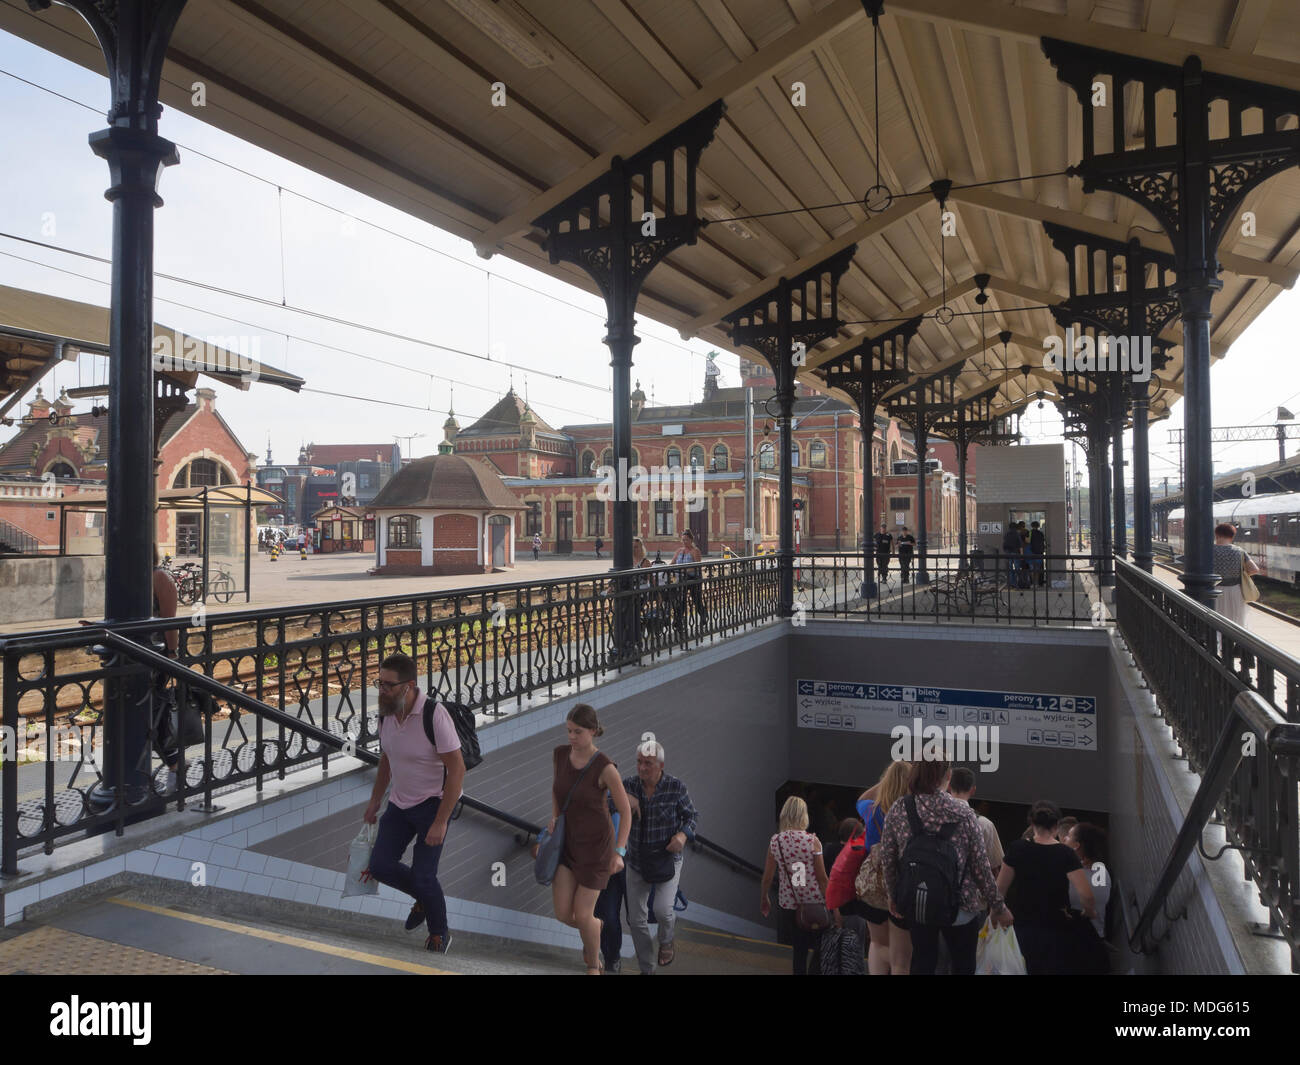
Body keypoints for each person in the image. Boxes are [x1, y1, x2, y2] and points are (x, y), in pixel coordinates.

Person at [363, 653, 466, 954]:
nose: (382, 690)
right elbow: (386, 760)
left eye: (389, 685)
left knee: (423, 875)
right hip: (400, 803)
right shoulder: (386, 713)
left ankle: (439, 932)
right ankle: (424, 896)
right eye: (379, 683)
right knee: (380, 866)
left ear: (410, 686)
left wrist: (441, 821)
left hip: (433, 804)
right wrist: (375, 802)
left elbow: (457, 769)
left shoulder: (434, 715)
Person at [878, 760, 1012, 975]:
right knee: (962, 964)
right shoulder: (964, 814)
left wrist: (894, 894)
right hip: (961, 904)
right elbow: (980, 867)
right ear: (947, 777)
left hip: (917, 900)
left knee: (922, 961)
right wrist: (998, 906)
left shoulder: (901, 807)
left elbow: (888, 857)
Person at [549, 704, 632, 974]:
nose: (572, 737)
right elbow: (557, 789)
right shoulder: (560, 755)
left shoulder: (605, 767)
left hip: (598, 848)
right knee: (564, 914)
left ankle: (593, 967)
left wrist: (619, 852)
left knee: (583, 914)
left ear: (593, 731)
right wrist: (554, 817)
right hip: (568, 844)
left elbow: (625, 810)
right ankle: (593, 930)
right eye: (569, 731)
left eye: (578, 732)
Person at [622, 739, 698, 974]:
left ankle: (666, 941)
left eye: (648, 763)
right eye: (639, 762)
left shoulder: (676, 787)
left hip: (667, 860)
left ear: (661, 765)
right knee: (636, 920)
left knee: (663, 910)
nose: (642, 768)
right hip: (636, 861)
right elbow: (604, 799)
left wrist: (683, 837)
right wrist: (624, 799)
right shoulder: (629, 785)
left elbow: (692, 817)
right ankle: (647, 968)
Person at [996, 800, 1096, 975]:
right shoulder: (1067, 854)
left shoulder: (1017, 848)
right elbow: (1086, 895)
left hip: (1022, 926)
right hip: (1056, 928)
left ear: (1032, 824)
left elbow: (1000, 889)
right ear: (1057, 826)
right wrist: (1088, 912)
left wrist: (996, 913)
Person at [855, 760, 913, 975]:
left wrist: (887, 780)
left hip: (873, 885)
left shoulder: (871, 810)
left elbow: (861, 798)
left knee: (878, 945)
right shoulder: (912, 813)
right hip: (902, 885)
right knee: (901, 960)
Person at [761, 795, 829, 975]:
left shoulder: (775, 841)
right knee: (821, 947)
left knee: (799, 951)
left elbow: (768, 876)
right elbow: (822, 878)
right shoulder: (813, 841)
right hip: (815, 903)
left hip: (790, 905)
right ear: (804, 816)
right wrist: (833, 904)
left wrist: (764, 897)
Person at [151, 545, 182, 791]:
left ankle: (175, 766)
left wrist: (172, 655)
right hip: (130, 657)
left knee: (151, 713)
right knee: (146, 714)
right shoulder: (129, 576)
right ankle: (174, 765)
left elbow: (170, 621)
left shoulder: (159, 577)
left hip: (155, 655)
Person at [949, 767, 1002, 876]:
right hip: (970, 890)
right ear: (973, 790)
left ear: (949, 787)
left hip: (939, 886)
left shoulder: (934, 816)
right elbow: (993, 868)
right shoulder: (985, 824)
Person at [1212, 522, 1260, 628]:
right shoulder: (1239, 551)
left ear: (1216, 535)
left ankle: (1218, 643)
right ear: (1232, 536)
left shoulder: (1209, 550)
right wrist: (1242, 573)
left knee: (1217, 622)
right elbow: (1255, 569)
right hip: (1235, 591)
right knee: (1236, 622)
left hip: (1214, 591)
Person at [670, 529, 707, 633]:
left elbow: (697, 566)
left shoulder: (695, 551)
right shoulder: (679, 551)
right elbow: (672, 563)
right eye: (683, 540)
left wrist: (683, 569)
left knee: (696, 599)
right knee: (680, 601)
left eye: (686, 540)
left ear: (691, 540)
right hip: (681, 579)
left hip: (693, 579)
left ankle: (703, 616)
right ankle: (678, 621)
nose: (684, 542)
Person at [1029, 521, 1046, 586]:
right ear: (1038, 526)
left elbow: (1028, 541)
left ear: (1032, 526)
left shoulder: (1030, 532)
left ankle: (1033, 583)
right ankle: (1038, 583)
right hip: (1039, 553)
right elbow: (1043, 542)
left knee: (1032, 568)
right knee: (1038, 568)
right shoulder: (1041, 533)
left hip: (1032, 553)